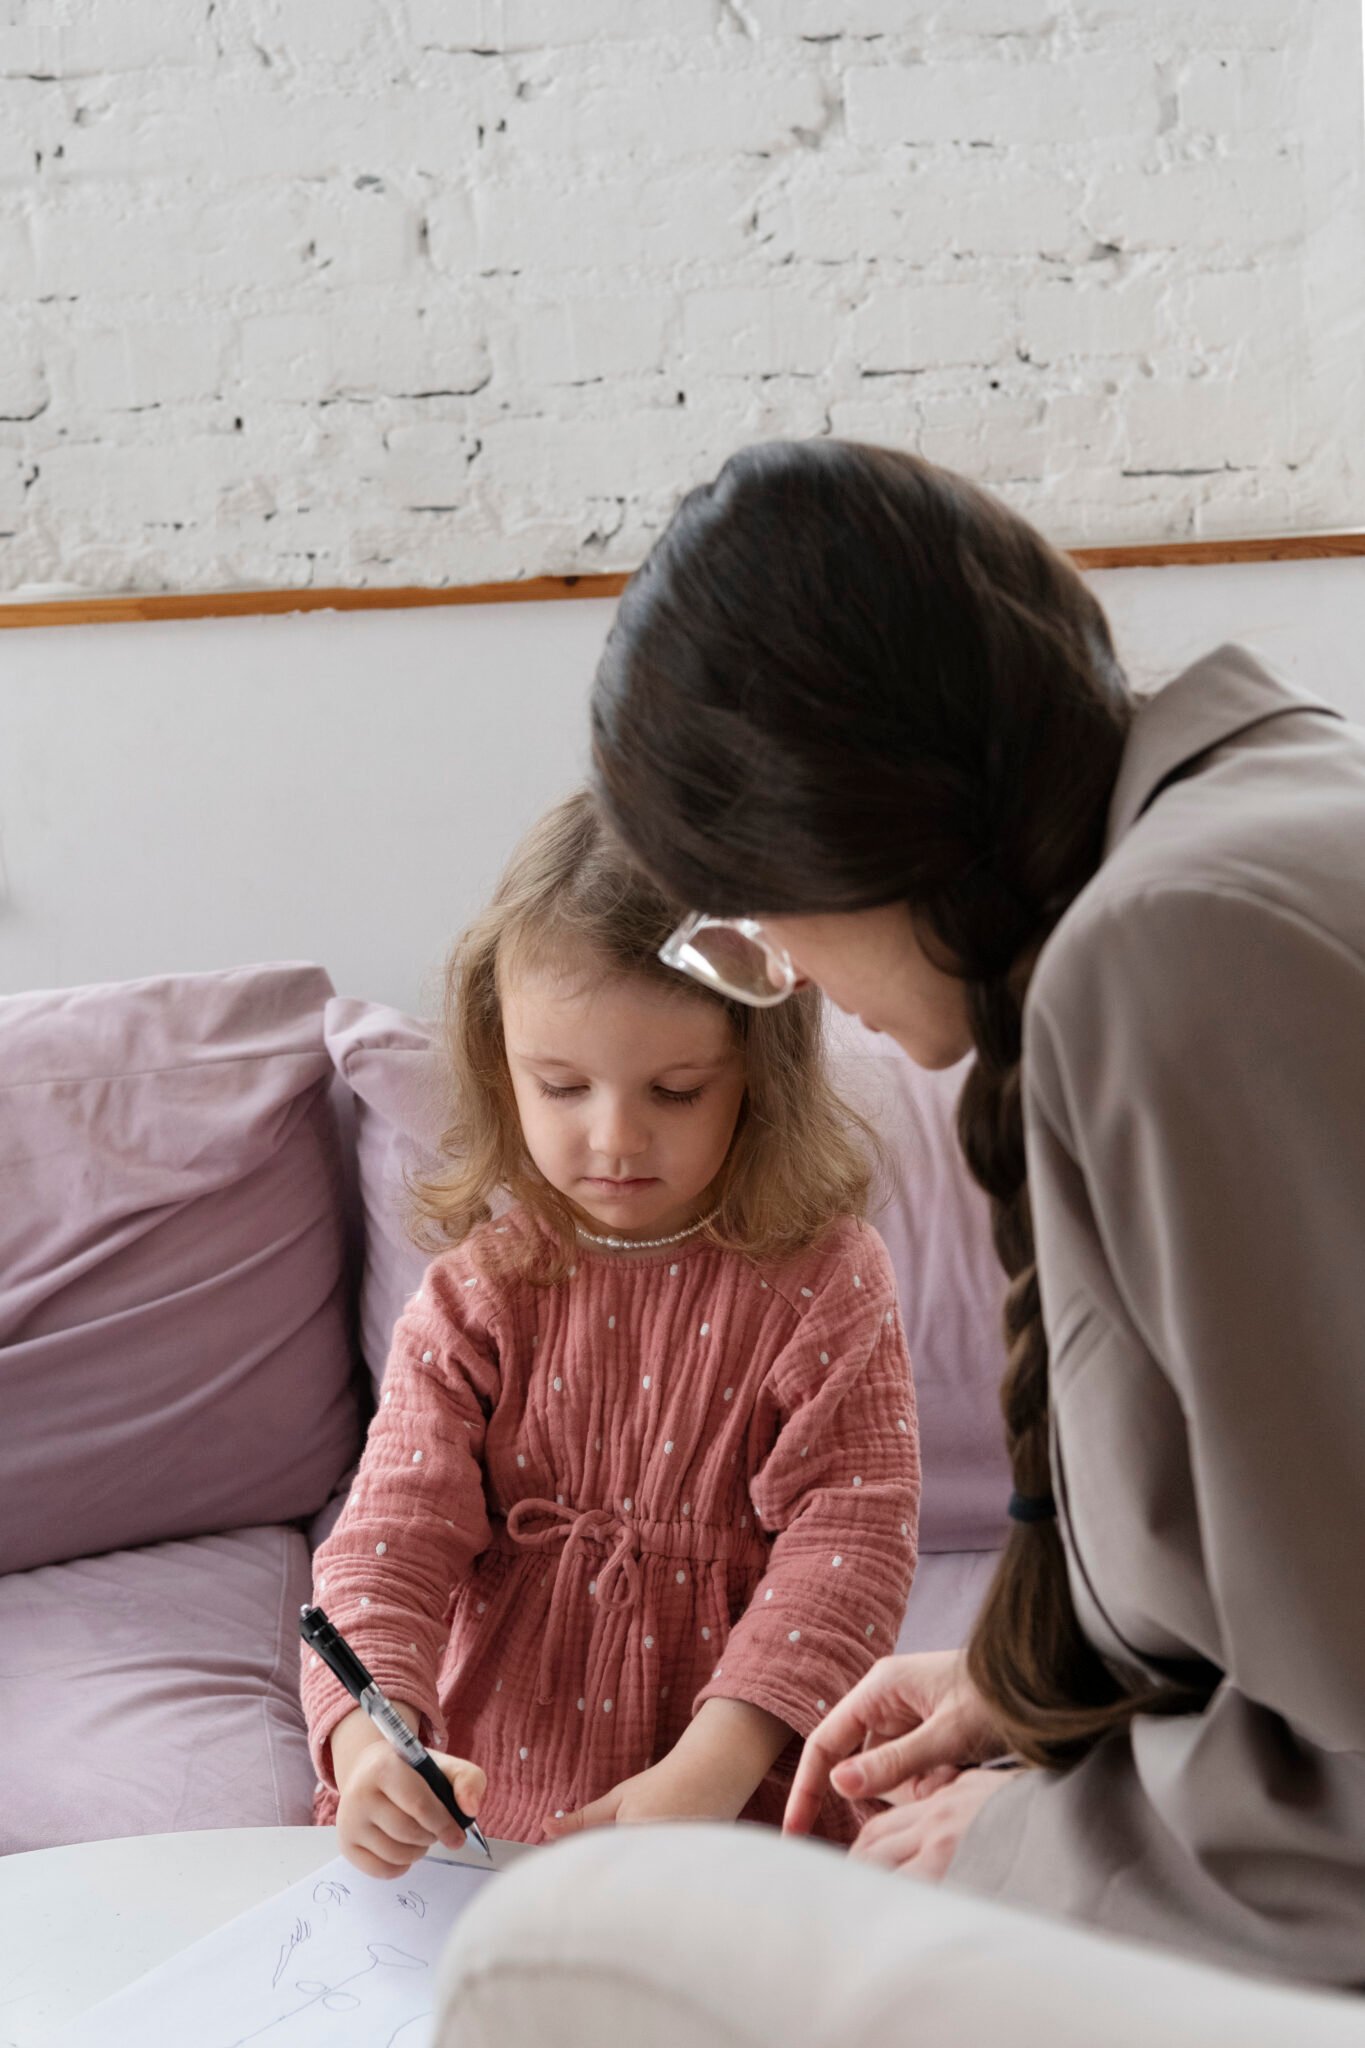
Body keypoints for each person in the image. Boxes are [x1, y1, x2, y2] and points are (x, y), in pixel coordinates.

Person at [565, 438, 1365, 1990]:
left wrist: (1021, 1845)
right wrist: (1036, 1690)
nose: (788, 977)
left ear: (831, 829)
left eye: (747, 924)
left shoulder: (1169, 959)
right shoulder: (1254, 805)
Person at [301, 788, 920, 1874]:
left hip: (738, 1795)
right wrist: (368, 1742)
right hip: (502, 1811)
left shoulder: (825, 1280)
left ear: (756, 1077)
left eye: (677, 1091)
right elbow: (387, 1544)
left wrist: (712, 1766)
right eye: (563, 1085)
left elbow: (850, 1546)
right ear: (504, 1069)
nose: (615, 1137)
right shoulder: (476, 1299)